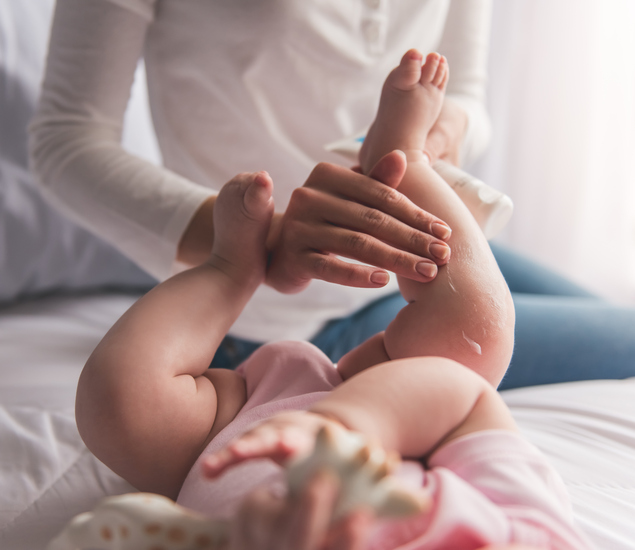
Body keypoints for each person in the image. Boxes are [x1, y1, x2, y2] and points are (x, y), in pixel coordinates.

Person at [74, 52, 591, 549]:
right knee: (474, 341)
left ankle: (230, 267)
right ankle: (403, 160)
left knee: (122, 406)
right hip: (398, 421)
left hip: (230, 436)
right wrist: (342, 431)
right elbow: (464, 398)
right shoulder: (533, 535)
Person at [29, 0, 635, 388]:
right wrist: (253, 241)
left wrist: (433, 134)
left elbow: (466, 92)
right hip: (275, 316)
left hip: (416, 242)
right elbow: (66, 140)